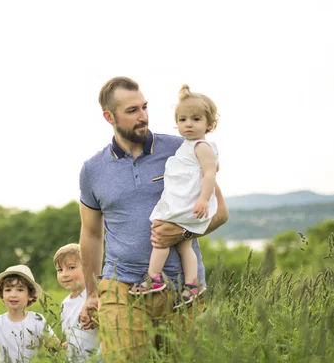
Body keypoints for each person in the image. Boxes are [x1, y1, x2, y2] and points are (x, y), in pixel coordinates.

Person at [78, 77, 229, 362]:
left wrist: (182, 235)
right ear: (109, 117)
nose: (143, 116)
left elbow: (220, 213)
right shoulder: (92, 170)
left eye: (144, 107)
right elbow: (91, 234)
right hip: (120, 286)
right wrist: (91, 293)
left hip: (183, 289)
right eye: (132, 110)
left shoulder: (184, 149)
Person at [129, 84, 220, 307]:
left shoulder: (201, 147)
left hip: (189, 204)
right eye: (182, 119)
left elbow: (209, 175)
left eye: (196, 119)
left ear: (209, 124)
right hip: (185, 203)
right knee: (183, 246)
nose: (188, 124)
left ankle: (154, 278)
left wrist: (202, 200)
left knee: (160, 235)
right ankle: (192, 284)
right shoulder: (186, 146)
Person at [53, 243, 101, 362]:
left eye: (71, 267)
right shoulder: (65, 304)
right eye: (60, 270)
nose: (64, 274)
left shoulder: (94, 297)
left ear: (87, 268)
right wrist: (62, 348)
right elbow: (73, 337)